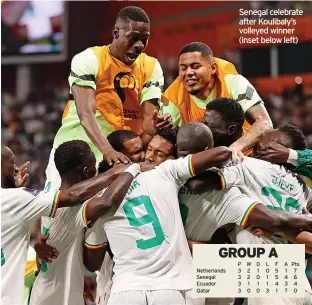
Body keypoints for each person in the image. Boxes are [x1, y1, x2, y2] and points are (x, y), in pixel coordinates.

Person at [176, 122, 312, 305]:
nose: (253, 150)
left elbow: (197, 184)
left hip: (269, 282)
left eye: (259, 147)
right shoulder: (304, 189)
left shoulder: (249, 167)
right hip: (294, 278)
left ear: (277, 148)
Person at [45, 6, 170, 192]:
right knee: (58, 212)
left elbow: (147, 124)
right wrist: (107, 150)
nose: (140, 45)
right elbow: (86, 113)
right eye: (133, 37)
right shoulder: (89, 59)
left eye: (144, 40)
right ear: (116, 32)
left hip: (119, 160)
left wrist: (155, 126)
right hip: (74, 153)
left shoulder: (151, 66)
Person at [0, 144, 132, 305]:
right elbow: (99, 201)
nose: (16, 169)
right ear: (86, 172)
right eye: (12, 162)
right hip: (58, 297)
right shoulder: (71, 207)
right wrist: (128, 170)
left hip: (44, 291)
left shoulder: (43, 201)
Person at [162, 42, 273, 159]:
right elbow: (164, 143)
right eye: (183, 68)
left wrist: (234, 149)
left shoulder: (233, 82)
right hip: (204, 164)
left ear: (213, 68)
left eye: (196, 67)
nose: (189, 73)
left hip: (247, 156)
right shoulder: (172, 98)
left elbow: (264, 123)